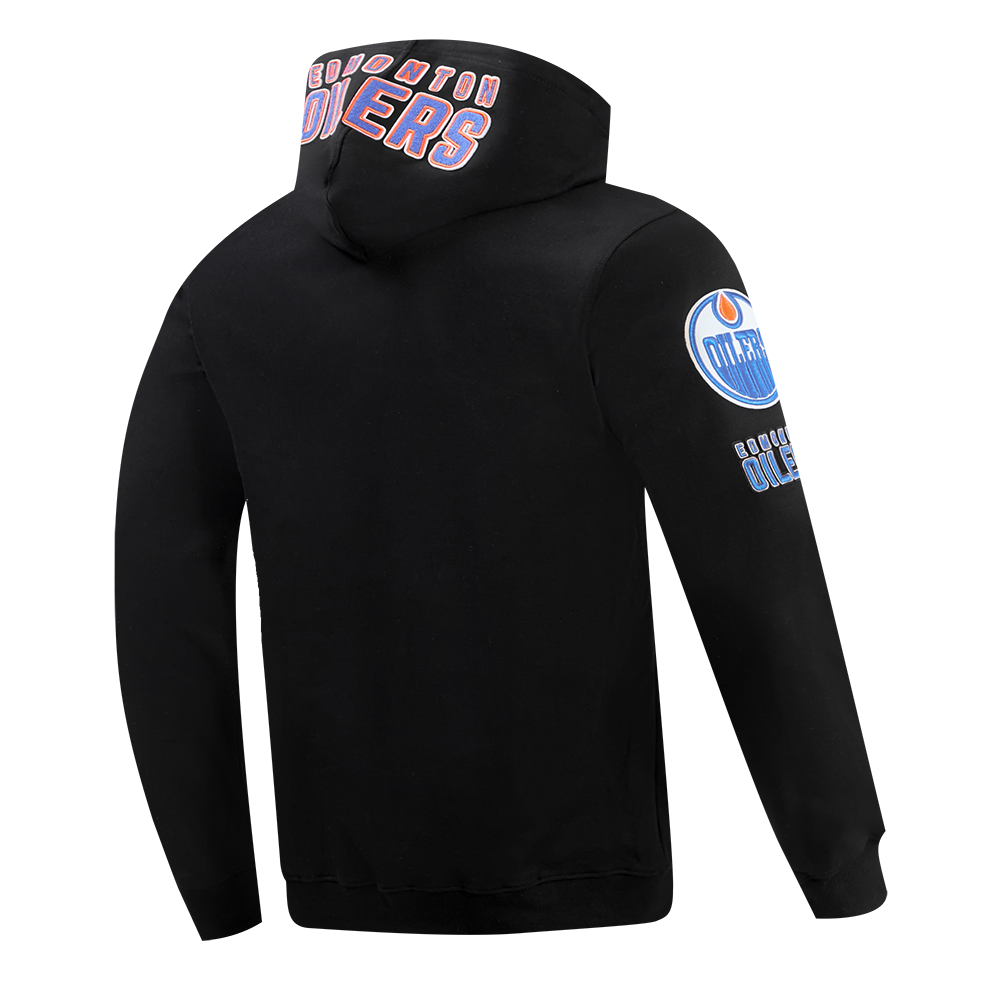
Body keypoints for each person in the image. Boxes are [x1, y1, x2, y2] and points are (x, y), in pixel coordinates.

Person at [116, 38, 887, 940]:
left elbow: (155, 585)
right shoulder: (645, 257)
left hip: (321, 884)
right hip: (580, 881)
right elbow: (754, 570)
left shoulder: (225, 282)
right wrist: (855, 875)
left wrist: (217, 895)